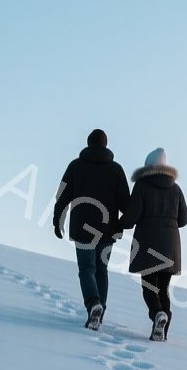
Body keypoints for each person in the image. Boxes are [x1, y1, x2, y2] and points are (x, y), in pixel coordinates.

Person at [52, 129, 130, 330]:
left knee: (87, 269)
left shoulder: (75, 166)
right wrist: (122, 224)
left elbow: (62, 195)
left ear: (88, 144)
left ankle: (93, 304)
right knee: (101, 270)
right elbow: (126, 204)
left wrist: (57, 219)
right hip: (107, 230)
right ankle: (99, 311)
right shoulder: (116, 169)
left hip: (83, 228)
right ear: (105, 145)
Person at [117, 148, 187, 341]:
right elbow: (184, 219)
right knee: (163, 289)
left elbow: (131, 216)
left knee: (149, 287)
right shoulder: (176, 189)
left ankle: (158, 314)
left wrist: (118, 225)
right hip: (171, 246)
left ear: (148, 166)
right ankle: (162, 330)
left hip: (148, 243)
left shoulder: (142, 186)